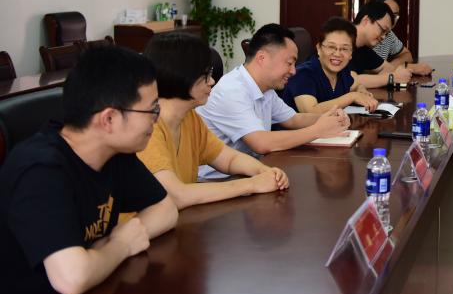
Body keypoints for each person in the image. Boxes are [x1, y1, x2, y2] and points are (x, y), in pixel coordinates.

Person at [0, 45, 178, 294]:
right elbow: (73, 279)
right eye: (151, 110)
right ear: (109, 119)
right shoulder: (40, 170)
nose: (155, 120)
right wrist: (121, 244)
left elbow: (165, 209)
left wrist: (100, 253)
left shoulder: (115, 153)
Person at [138, 32, 290, 209]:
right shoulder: (148, 127)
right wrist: (252, 184)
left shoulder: (190, 118)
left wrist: (264, 171)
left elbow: (228, 159)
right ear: (181, 74)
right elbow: (176, 196)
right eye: (206, 74)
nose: (212, 81)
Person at [196, 23, 350, 179]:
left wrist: (331, 119)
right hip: (217, 180)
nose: (293, 71)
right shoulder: (232, 90)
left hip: (252, 171)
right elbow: (262, 143)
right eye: (289, 63)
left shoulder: (266, 88)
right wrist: (318, 130)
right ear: (262, 58)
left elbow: (293, 119)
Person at [281, 16, 379, 113]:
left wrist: (361, 91)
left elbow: (356, 84)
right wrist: (352, 96)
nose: (337, 54)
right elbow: (310, 111)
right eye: (331, 47)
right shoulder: (302, 74)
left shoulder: (343, 72)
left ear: (351, 54)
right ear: (319, 48)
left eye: (344, 49)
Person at [349, 1, 413, 89]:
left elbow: (388, 68)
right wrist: (391, 78)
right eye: (383, 30)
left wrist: (375, 80)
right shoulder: (342, 41)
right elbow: (350, 81)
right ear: (366, 21)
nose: (383, 37)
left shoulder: (363, 47)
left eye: (386, 34)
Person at [371, 0, 433, 76]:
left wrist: (390, 67)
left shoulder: (389, 34)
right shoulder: (365, 36)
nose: (392, 19)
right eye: (388, 13)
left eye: (395, 15)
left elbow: (407, 55)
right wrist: (406, 67)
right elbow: (366, 72)